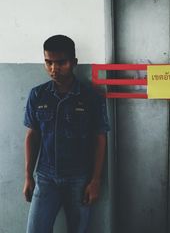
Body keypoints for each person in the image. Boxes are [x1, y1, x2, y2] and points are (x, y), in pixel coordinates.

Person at [23, 35, 110, 233]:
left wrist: (95, 180)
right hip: (45, 178)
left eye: (61, 62)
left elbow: (100, 138)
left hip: (79, 178)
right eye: (48, 62)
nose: (54, 68)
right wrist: (28, 176)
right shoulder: (37, 95)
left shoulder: (91, 96)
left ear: (74, 62)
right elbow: (32, 136)